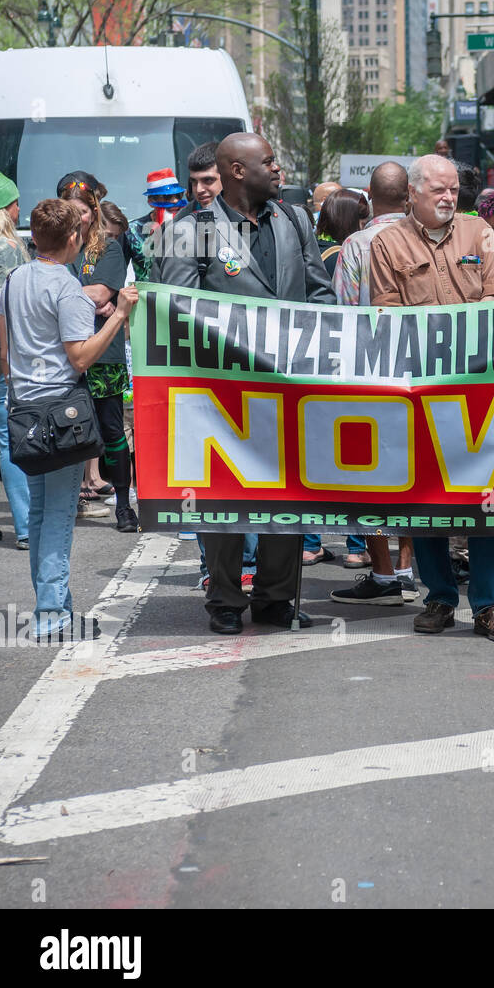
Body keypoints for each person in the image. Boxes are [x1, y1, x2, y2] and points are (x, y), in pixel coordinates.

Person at [157, 132, 336, 635]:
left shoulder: (295, 218)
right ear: (238, 170)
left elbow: (320, 294)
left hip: (291, 391)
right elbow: (177, 314)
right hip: (222, 396)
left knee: (289, 496)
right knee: (224, 500)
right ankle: (226, 600)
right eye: (270, 162)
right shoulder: (185, 230)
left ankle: (277, 598)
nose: (278, 170)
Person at [367, 154, 494, 643]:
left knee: (486, 500)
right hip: (419, 392)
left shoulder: (479, 233)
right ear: (411, 193)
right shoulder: (387, 243)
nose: (448, 197)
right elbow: (385, 315)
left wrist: (472, 325)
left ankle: (490, 605)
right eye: (437, 189)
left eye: (453, 189)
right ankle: (438, 597)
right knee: (426, 499)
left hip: (478, 393)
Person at [0, 198, 138, 639]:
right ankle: (52, 615)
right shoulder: (67, 288)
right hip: (61, 410)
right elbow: (80, 358)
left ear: (35, 237)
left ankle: (52, 606)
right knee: (57, 516)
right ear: (74, 239)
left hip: (23, 405)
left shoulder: (15, 278)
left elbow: (7, 351)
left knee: (42, 512)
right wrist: (118, 315)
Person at [327, 160, 412, 577]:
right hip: (421, 372)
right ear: (409, 194)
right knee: (417, 467)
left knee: (371, 475)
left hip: (369, 372)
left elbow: (344, 312)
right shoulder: (422, 240)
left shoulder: (356, 245)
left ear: (369, 198)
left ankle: (382, 572)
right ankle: (409, 565)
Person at [59, 177, 137, 530]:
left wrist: (98, 299)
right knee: (65, 429)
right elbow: (84, 296)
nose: (78, 219)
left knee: (111, 430)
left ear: (93, 211)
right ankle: (70, 500)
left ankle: (123, 504)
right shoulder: (54, 246)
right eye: (70, 212)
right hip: (63, 353)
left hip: (104, 351)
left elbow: (103, 293)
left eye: (83, 212)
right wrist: (88, 298)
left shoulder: (108, 248)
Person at [0, 171, 30, 549]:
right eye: (16, 202)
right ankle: (26, 527)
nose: (21, 209)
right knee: (8, 439)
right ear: (5, 208)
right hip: (0, 357)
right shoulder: (6, 248)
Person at [316, 188, 370, 277]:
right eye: (363, 224)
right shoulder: (343, 258)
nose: (364, 230)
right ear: (347, 222)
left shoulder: (310, 248)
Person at [186, 142, 222, 210]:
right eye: (194, 182)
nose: (199, 190)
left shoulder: (246, 213)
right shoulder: (183, 218)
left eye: (208, 180)